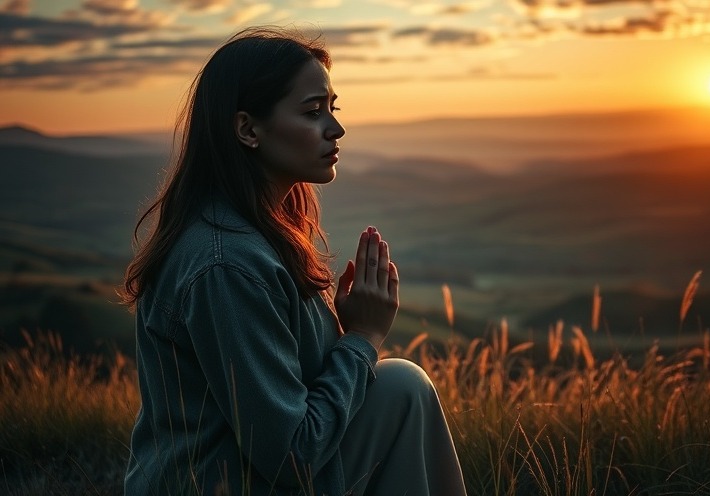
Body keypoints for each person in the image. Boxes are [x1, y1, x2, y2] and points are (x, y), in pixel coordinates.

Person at [119, 26, 467, 496]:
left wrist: (343, 335)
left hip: (241, 477)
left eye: (332, 107)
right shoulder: (227, 266)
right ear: (247, 129)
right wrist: (362, 339)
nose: (335, 128)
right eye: (312, 111)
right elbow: (294, 456)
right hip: (218, 486)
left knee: (400, 387)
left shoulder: (256, 235)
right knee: (402, 388)